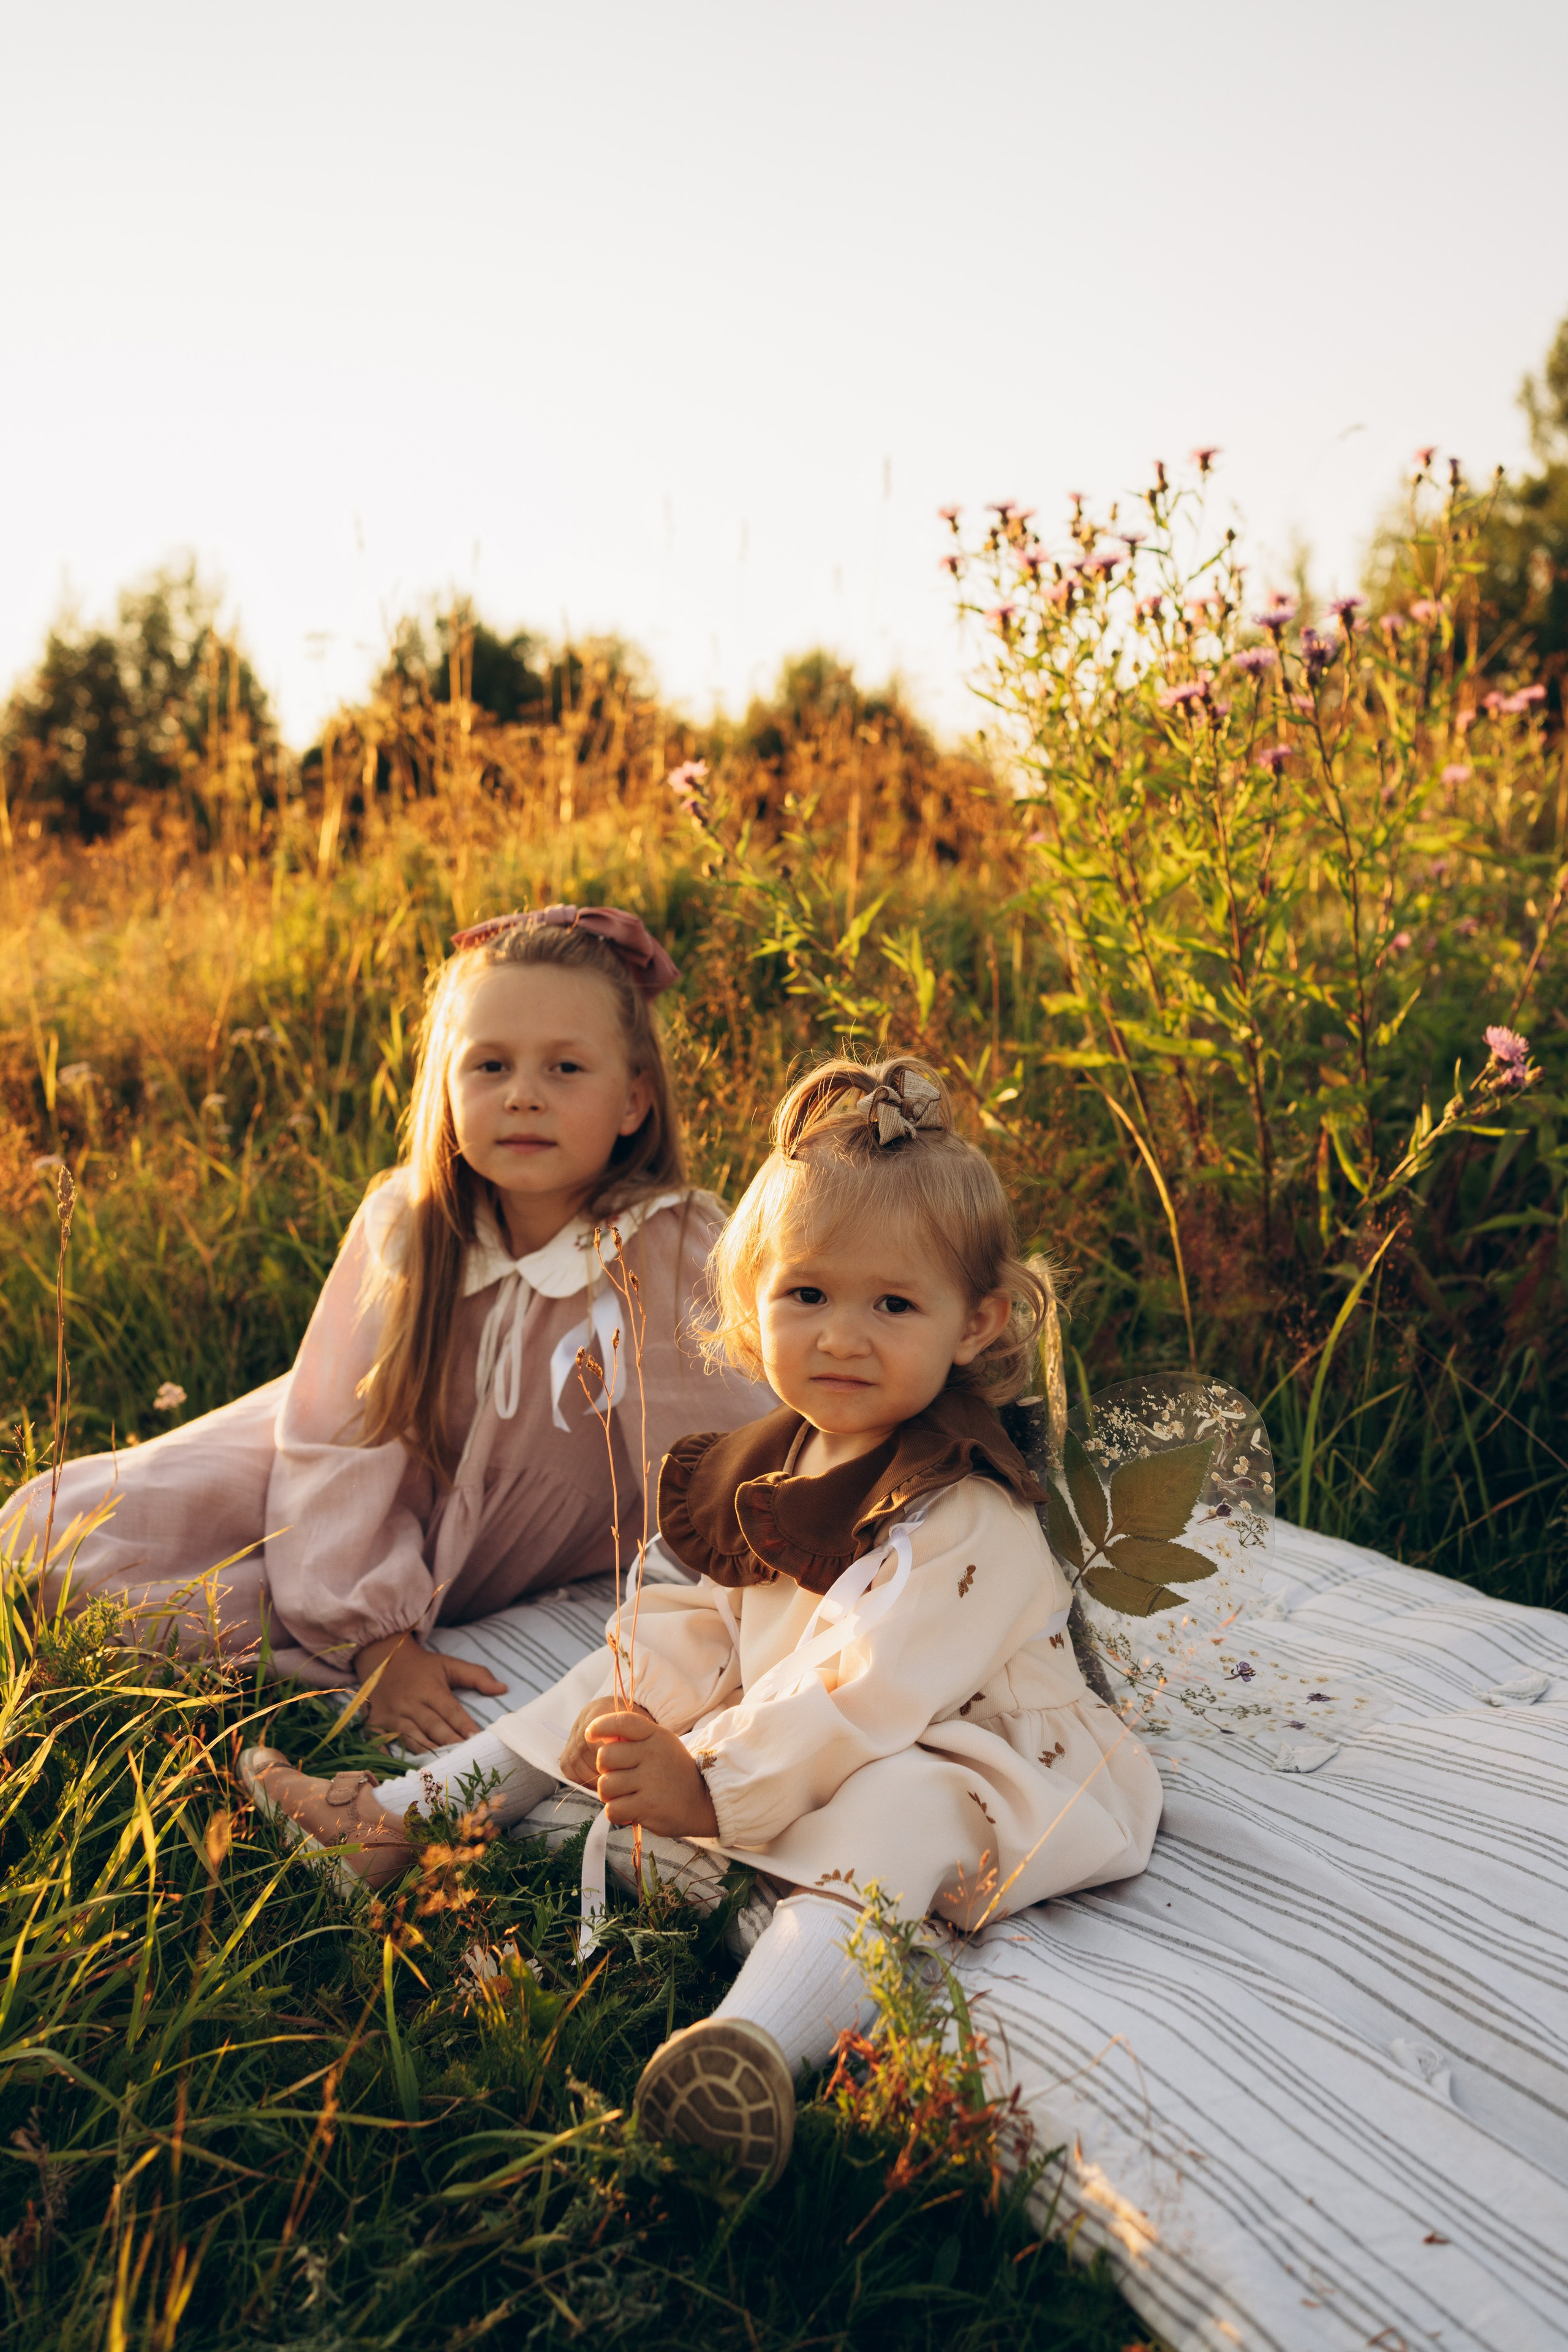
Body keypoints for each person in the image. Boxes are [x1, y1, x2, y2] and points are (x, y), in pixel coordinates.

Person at [241, 1054, 1162, 2186]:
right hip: (800, 1743)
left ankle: (752, 2051)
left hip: (979, 1766)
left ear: (978, 1322)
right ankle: (401, 1815)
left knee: (898, 1799)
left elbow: (864, 1687)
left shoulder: (968, 1508)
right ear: (754, 1296)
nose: (841, 1337)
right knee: (620, 1671)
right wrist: (641, 1714)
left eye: (894, 1305)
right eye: (808, 1296)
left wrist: (711, 1786)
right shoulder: (782, 1457)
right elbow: (709, 1620)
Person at [6, 905, 771, 1747]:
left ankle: (331, 1625)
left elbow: (721, 1459)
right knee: (59, 1546)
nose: (522, 1094)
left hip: (507, 1550)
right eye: (489, 1064)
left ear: (634, 1100)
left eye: (564, 1068)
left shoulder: (664, 1245)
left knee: (192, 1615)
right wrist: (379, 1641)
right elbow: (338, 1443)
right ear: (447, 1082)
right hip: (340, 1489)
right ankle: (341, 1611)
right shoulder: (410, 1225)